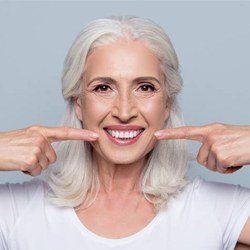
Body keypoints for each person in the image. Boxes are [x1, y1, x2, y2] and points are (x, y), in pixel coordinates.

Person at [0, 15, 250, 250]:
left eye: (145, 87)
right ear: (78, 103)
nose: (124, 110)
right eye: (103, 88)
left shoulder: (215, 209)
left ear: (167, 104)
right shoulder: (15, 211)